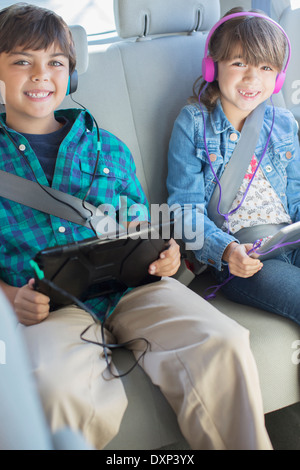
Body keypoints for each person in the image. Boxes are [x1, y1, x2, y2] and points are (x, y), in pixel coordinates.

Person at [0, 3, 272, 450]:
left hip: (135, 289)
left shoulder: (107, 147)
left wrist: (165, 253)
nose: (40, 75)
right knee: (56, 386)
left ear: (71, 72)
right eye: (21, 62)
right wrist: (10, 299)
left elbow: (141, 223)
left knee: (222, 341)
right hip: (49, 308)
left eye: (55, 62)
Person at [167, 7, 300, 327]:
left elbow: (295, 196)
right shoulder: (194, 124)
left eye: (266, 67)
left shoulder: (283, 123)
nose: (252, 78)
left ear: (279, 78)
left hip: (290, 241)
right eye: (239, 63)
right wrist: (226, 251)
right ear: (212, 67)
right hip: (245, 260)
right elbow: (183, 210)